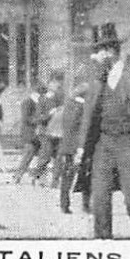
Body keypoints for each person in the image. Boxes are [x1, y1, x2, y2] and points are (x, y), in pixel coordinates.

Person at [74, 28, 130, 240]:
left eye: (99, 52)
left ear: (111, 51)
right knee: (100, 199)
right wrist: (81, 147)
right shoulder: (97, 79)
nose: (94, 57)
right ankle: (103, 242)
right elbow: (88, 114)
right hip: (103, 144)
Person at [52, 78, 90, 215]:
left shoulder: (68, 104)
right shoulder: (82, 107)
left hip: (67, 145)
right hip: (79, 145)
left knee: (67, 176)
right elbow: (81, 127)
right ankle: (85, 206)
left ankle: (64, 204)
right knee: (85, 175)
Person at [16, 81, 56, 184]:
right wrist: (44, 117)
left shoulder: (41, 102)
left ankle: (38, 177)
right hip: (30, 133)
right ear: (35, 93)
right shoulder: (27, 102)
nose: (42, 97)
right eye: (40, 94)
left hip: (39, 133)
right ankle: (18, 175)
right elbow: (26, 119)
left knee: (43, 154)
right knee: (29, 154)